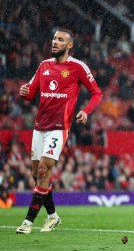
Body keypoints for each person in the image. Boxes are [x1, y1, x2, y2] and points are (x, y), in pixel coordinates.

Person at [16, 29, 102, 234]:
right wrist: (23, 92)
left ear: (69, 45)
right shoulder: (43, 65)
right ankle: (53, 216)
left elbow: (97, 93)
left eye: (60, 40)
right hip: (39, 127)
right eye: (54, 38)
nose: (55, 42)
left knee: (44, 170)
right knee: (37, 175)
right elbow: (31, 92)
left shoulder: (77, 67)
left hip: (59, 128)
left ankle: (28, 222)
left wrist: (86, 111)